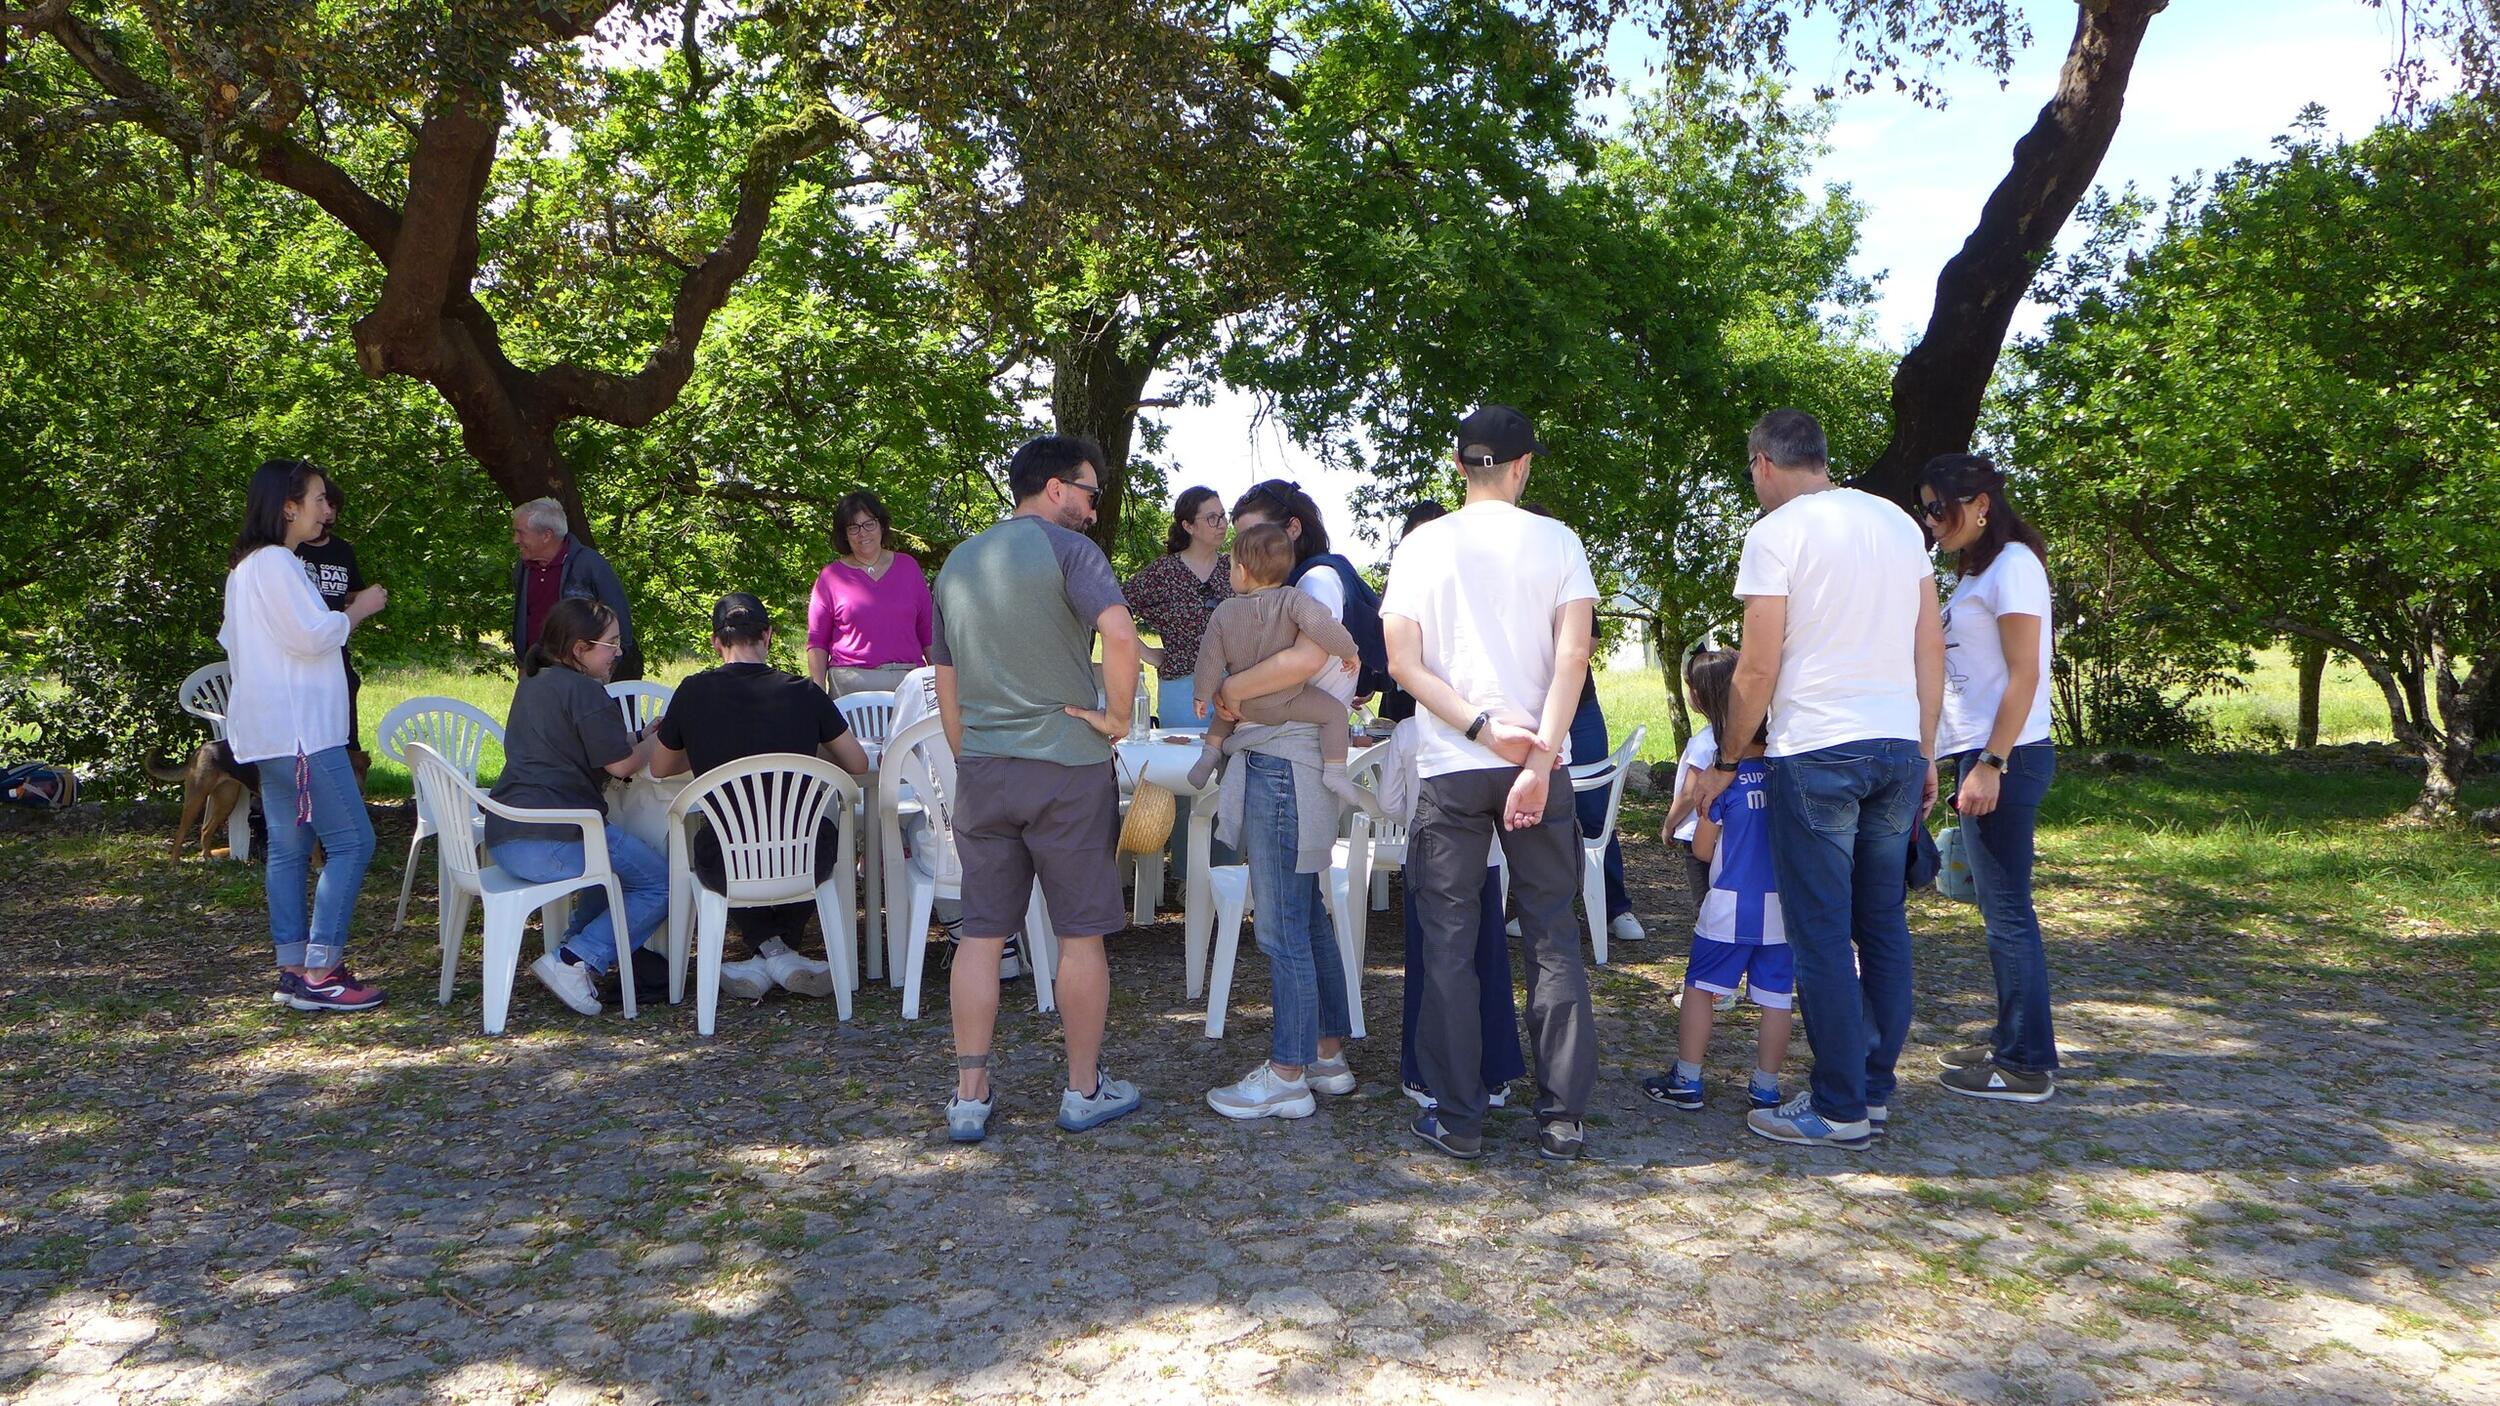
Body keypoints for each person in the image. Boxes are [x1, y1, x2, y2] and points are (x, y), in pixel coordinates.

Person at [1689, 409, 1943, 1150]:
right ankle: (1872, 1085)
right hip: (1896, 745)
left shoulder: (1777, 533)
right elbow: (1930, 644)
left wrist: (1729, 760)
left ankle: (1837, 1107)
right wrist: (1925, 749)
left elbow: (1758, 665)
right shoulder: (1897, 524)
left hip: (1819, 751)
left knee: (1824, 933)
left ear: (1764, 463)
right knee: (1882, 923)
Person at [1381, 404, 1599, 1162]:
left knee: (1445, 942)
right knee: (1550, 935)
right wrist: (1535, 759)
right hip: (1538, 765)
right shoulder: (1559, 541)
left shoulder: (1421, 545)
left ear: (1458, 465)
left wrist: (1477, 728)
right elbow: (1573, 660)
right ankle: (1563, 1116)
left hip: (1452, 765)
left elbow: (1404, 664)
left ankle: (1460, 1117)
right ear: (1523, 465)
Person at [928, 434, 1143, 1142]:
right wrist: (1115, 717)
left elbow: (947, 678)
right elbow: (1119, 631)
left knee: (981, 937)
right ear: (1053, 487)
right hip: (1065, 767)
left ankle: (969, 1095)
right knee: (1080, 936)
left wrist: (971, 755)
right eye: (1087, 491)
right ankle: (1083, 1090)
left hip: (986, 771)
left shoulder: (958, 563)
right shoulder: (1071, 552)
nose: (1091, 507)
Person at [1199, 523, 1364, 1123]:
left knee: (1280, 927)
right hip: (1301, 773)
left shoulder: (1292, 605)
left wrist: (1224, 689)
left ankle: (1287, 1075)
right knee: (1308, 914)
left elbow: (1307, 656)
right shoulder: (1296, 603)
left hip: (1281, 771)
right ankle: (1326, 1054)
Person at [220, 458, 388, 1011]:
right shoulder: (276, 564)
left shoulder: (247, 568)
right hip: (301, 734)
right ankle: (322, 970)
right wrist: (358, 608)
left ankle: (293, 967)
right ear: (288, 506)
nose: (325, 509)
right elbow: (313, 637)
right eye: (317, 498)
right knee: (353, 841)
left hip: (271, 734)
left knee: (289, 850)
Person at [1920, 453, 2060, 1102]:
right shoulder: (1981, 572)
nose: (1931, 520)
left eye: (1938, 507)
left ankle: (2025, 1064)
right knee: (2000, 912)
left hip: (2007, 755)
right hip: (1980, 752)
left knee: (2006, 913)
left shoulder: (2016, 568)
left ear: (1980, 504)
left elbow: (2025, 674)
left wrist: (1991, 763)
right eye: (1925, 508)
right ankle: (2016, 1047)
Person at [651, 593, 873, 1000]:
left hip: (727, 860)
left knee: (715, 839)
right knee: (824, 833)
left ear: (717, 642)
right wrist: (806, 746)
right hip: (803, 857)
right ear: (768, 636)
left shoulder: (692, 692)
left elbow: (660, 768)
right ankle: (782, 955)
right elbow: (857, 763)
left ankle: (766, 956)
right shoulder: (805, 693)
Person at [487, 596, 667, 1016]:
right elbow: (622, 766)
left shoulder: (536, 681)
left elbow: (589, 744)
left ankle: (571, 949)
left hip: (508, 835)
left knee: (617, 874)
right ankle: (574, 960)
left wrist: (640, 734)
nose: (618, 653)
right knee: (659, 881)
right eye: (611, 643)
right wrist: (658, 741)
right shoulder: (584, 690)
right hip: (555, 837)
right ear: (579, 649)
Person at [1642, 650, 1793, 1114]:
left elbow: (1704, 850)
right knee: (1776, 998)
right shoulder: (1787, 771)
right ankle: (1766, 1087)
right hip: (1783, 911)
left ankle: (1687, 1078)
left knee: (1701, 987)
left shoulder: (1722, 779)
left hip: (1728, 903)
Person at [1185, 522, 1366, 808]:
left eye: (1231, 566)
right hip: (1287, 700)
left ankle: (1209, 755)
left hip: (1240, 705)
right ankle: (1335, 772)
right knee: (1334, 713)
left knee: (1223, 710)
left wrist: (1202, 694)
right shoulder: (1293, 600)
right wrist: (1349, 651)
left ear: (1242, 572)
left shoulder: (1224, 611)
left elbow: (1209, 657)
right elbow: (1323, 625)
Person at [1661, 649, 1739, 1014]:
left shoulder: (1706, 741)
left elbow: (1691, 793)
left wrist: (1669, 822)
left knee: (1706, 909)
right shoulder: (1743, 738)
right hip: (1735, 837)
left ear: (1698, 694)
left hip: (1698, 837)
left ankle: (1716, 986)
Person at [1123, 485, 1234, 730]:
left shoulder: (1234, 569)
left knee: (1231, 765)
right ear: (1188, 526)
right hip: (1182, 689)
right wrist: (1145, 652)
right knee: (1182, 763)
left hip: (1232, 688)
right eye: (1212, 518)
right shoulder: (1165, 572)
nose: (1222, 524)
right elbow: (1109, 607)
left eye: (1223, 516)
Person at [806, 490, 934, 697]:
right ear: (844, 534)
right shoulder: (830, 577)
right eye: (853, 527)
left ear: (882, 525)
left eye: (869, 523)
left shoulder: (908, 567)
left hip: (909, 683)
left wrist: (942, 680)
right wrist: (818, 692)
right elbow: (817, 641)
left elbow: (928, 632)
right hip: (850, 685)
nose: (862, 533)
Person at [510, 497, 641, 681]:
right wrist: (524, 663)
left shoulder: (589, 565)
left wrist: (610, 665)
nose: (515, 540)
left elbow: (620, 617)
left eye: (520, 533)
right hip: (537, 671)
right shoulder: (523, 569)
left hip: (582, 675)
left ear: (546, 535)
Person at [294, 475, 378, 744]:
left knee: (344, 734)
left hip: (336, 650)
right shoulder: (289, 552)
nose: (328, 513)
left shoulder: (342, 550)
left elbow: (353, 594)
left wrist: (363, 604)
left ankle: (352, 779)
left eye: (333, 507)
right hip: (302, 655)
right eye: (322, 503)